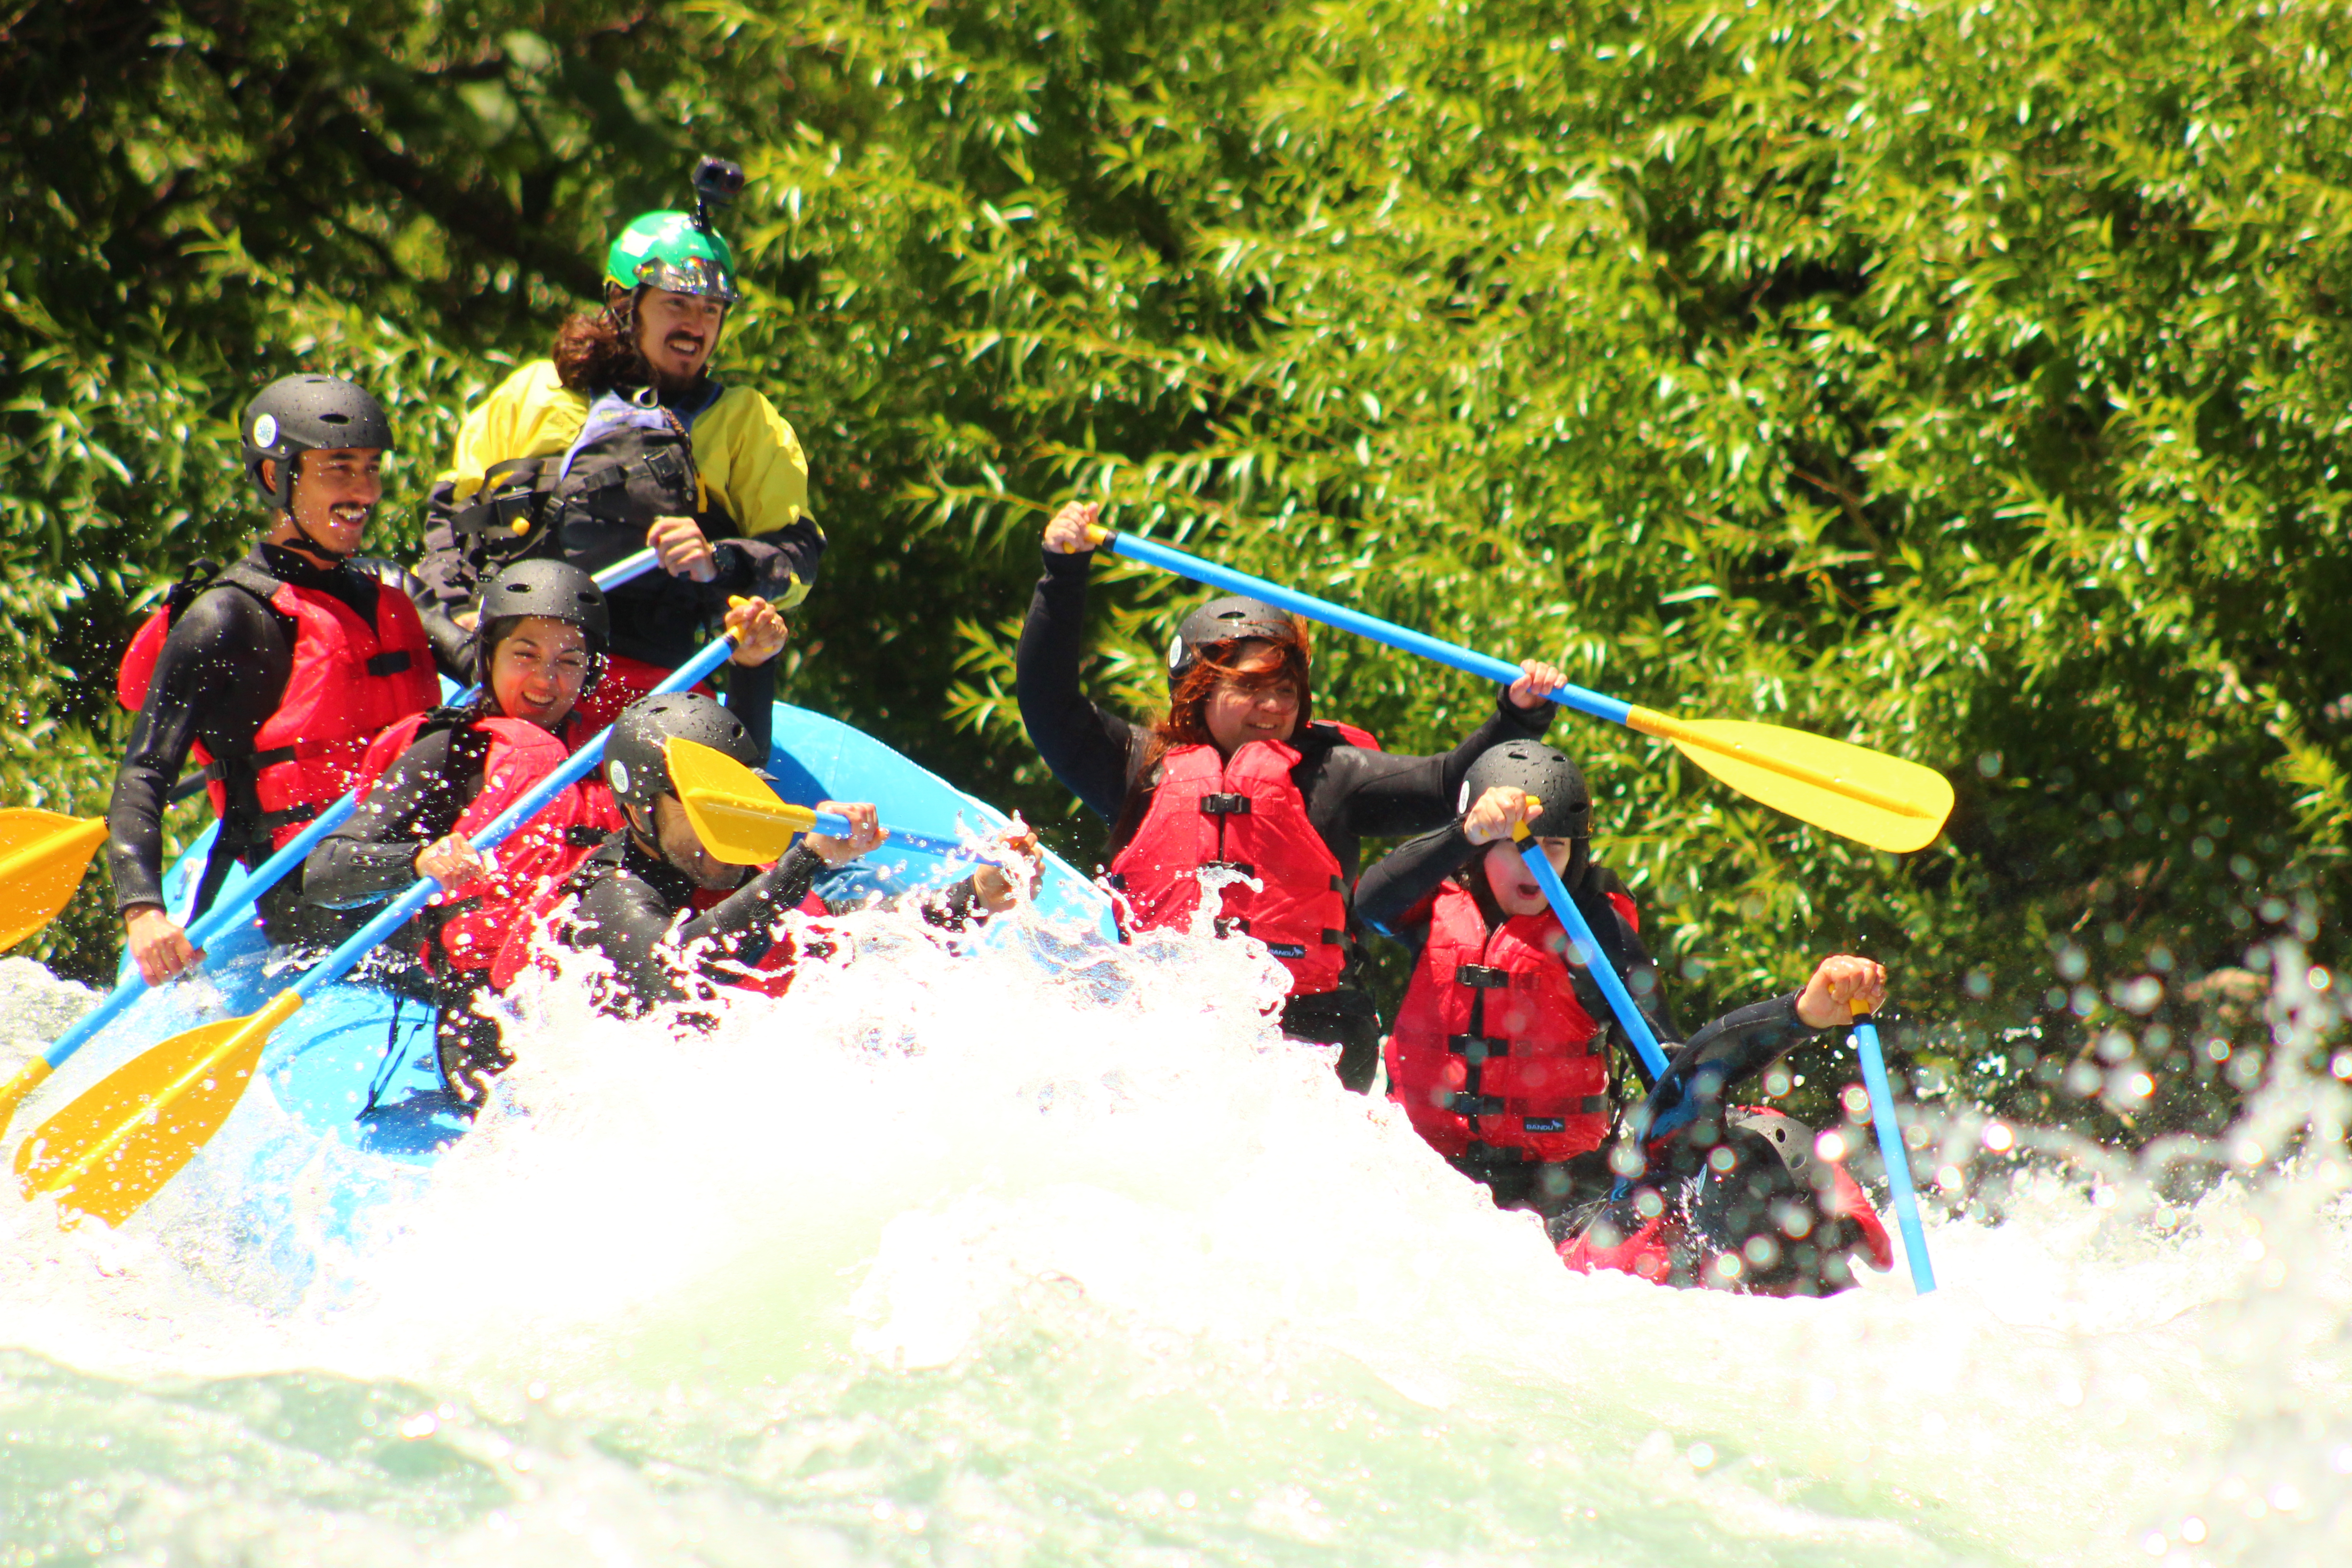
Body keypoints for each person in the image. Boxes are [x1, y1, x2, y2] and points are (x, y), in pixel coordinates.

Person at [1018, 499, 1565, 1091]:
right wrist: (1063, 575)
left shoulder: (1334, 775)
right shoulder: (1136, 770)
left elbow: (1447, 782)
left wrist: (1518, 715)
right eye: (1251, 689)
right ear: (1197, 692)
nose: (1276, 706)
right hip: (1166, 1026)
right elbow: (1049, 703)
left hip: (1312, 1038)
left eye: (1286, 689)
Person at [1356, 739, 1895, 1295]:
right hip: (1426, 1181)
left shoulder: (1595, 938)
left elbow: (1679, 1075)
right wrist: (1461, 832)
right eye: (1512, 846)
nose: (1535, 863)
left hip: (1558, 1198)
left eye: (1555, 846)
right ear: (1473, 852)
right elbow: (1370, 903)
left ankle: (1824, 1246)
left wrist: (1802, 1013)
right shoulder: (1431, 912)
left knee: (1752, 1146)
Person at [300, 560, 794, 1102]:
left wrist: (753, 669)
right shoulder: (451, 753)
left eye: (569, 662)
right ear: (488, 655)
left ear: (593, 671)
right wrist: (419, 862)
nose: (545, 680)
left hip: (617, 973)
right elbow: (325, 872)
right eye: (525, 655)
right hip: (493, 1014)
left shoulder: (619, 747)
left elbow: (729, 796)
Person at [416, 159, 823, 730]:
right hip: (515, 669)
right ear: (623, 305)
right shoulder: (535, 393)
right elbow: (450, 524)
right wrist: (459, 617)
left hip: (656, 680)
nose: (696, 325)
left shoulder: (746, 421)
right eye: (676, 304)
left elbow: (797, 563)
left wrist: (719, 558)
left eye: (711, 310)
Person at [109, 373, 440, 986]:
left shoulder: (383, 597)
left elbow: (487, 664)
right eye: (339, 468)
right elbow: (145, 769)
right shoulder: (226, 615)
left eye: (371, 469)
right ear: (274, 478)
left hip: (415, 857)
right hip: (309, 890)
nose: (364, 490)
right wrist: (143, 910)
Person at [493, 695, 1030, 1021]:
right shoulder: (609, 894)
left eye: (741, 800)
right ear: (638, 815)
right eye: (705, 807)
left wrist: (974, 895)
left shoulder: (740, 872)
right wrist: (807, 861)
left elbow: (850, 937)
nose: (726, 825)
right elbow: (675, 978)